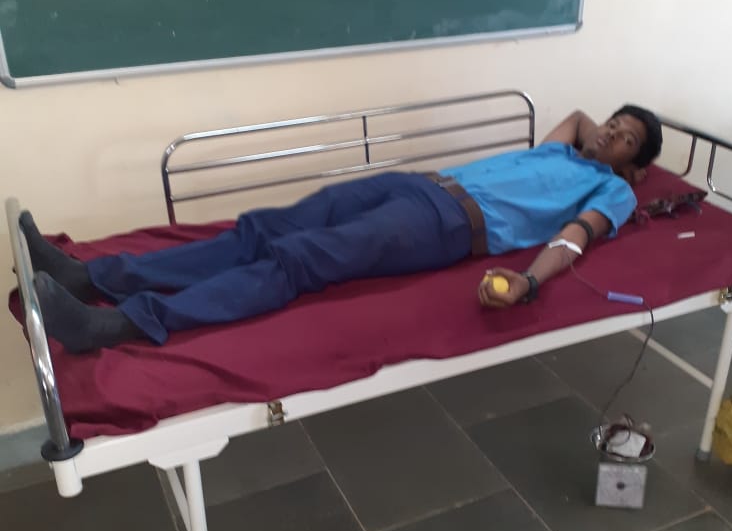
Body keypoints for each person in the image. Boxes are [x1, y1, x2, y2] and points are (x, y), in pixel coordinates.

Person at [22, 104, 662, 354]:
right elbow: (579, 117)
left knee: (298, 259)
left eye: (626, 138)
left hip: (444, 223)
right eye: (615, 122)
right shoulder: (564, 149)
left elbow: (573, 237)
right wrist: (609, 137)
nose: (609, 131)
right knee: (260, 229)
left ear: (634, 166)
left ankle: (120, 323)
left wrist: (529, 283)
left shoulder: (611, 190)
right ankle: (92, 276)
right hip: (416, 184)